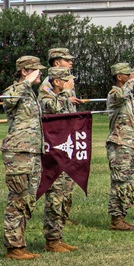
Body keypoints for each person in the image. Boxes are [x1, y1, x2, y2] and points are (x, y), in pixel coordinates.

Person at [1, 56, 46, 260]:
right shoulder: (15, 89)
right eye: (36, 70)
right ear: (24, 71)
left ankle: (19, 242)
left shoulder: (31, 93)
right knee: (17, 198)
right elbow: (7, 100)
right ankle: (13, 246)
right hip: (18, 152)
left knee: (28, 199)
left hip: (32, 151)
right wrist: (26, 82)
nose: (40, 73)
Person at [38, 67, 79, 252]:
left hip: (67, 151)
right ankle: (52, 239)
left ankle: (59, 236)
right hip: (53, 153)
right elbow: (52, 107)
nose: (70, 83)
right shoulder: (46, 96)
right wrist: (66, 94)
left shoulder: (64, 97)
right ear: (56, 82)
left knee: (65, 195)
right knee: (55, 196)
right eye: (66, 80)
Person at [107, 63, 134, 231]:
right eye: (128, 74)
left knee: (129, 183)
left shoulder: (129, 96)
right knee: (119, 182)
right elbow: (120, 96)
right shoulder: (115, 94)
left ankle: (122, 215)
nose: (132, 76)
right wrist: (131, 83)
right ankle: (116, 219)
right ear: (120, 77)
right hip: (120, 144)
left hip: (131, 145)